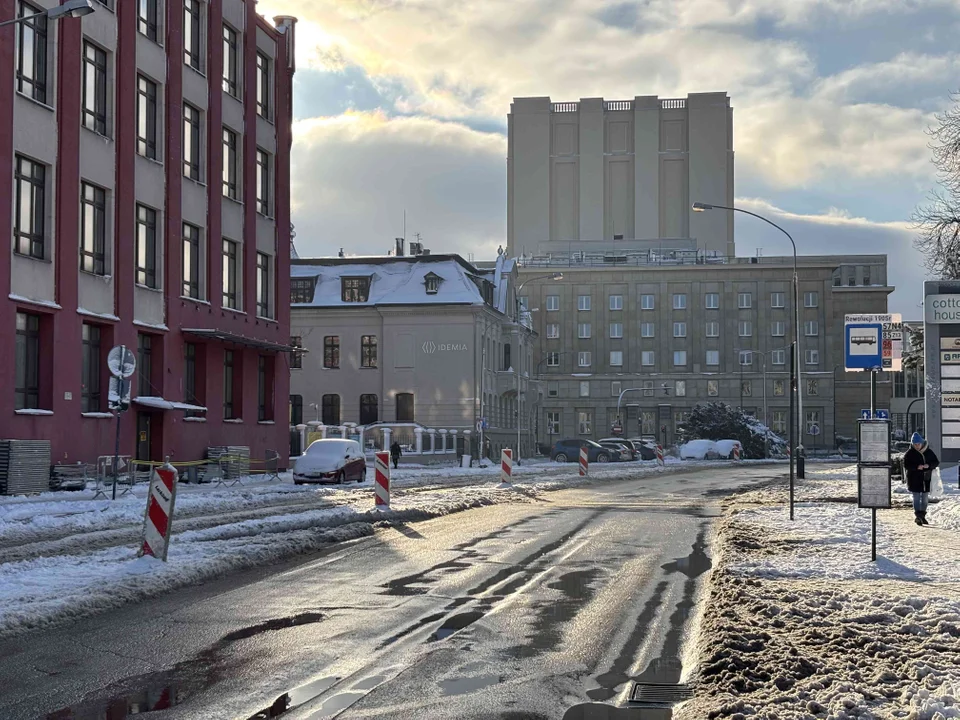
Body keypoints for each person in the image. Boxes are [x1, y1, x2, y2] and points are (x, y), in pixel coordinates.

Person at [902, 431, 940, 526]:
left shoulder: (928, 452)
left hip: (926, 478)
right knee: (916, 497)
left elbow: (936, 462)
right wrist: (916, 467)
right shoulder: (909, 453)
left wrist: (929, 465)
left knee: (924, 498)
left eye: (918, 444)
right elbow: (906, 465)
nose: (917, 446)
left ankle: (921, 516)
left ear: (922, 443)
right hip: (914, 478)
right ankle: (918, 516)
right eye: (915, 444)